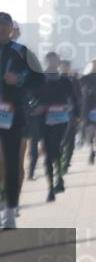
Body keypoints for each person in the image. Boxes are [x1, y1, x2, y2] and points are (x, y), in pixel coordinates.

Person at [0, 12, 43, 229]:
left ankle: (10, 210)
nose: (2, 28)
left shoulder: (21, 51)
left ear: (11, 27)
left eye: (6, 24)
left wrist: (20, 79)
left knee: (13, 162)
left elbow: (39, 78)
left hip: (14, 114)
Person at [35, 52, 80, 200]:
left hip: (61, 118)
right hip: (44, 119)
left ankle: (59, 177)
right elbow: (33, 97)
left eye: (56, 61)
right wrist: (36, 108)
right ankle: (50, 187)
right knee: (48, 153)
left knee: (56, 146)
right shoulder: (40, 79)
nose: (53, 63)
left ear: (59, 63)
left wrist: (76, 115)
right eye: (51, 60)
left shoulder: (64, 80)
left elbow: (73, 98)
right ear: (47, 61)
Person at [83, 59, 96, 166]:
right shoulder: (87, 80)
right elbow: (85, 99)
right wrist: (85, 117)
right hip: (91, 113)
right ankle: (92, 151)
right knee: (91, 135)